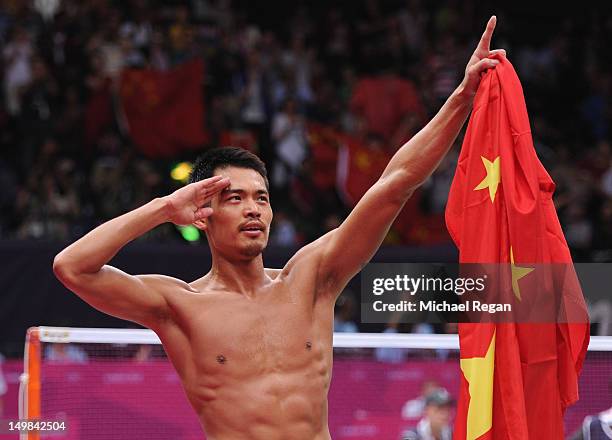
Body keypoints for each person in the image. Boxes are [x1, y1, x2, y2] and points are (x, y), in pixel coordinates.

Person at [52, 17, 504, 440]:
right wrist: (162, 208)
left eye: (262, 198)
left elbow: (394, 184)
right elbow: (72, 268)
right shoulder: (178, 306)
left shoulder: (312, 279)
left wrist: (462, 97)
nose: (254, 210)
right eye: (236, 198)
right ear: (203, 213)